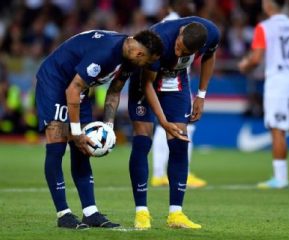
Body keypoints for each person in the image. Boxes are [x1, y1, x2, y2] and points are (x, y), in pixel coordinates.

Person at [35, 29, 164, 229]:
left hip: (79, 89)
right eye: (148, 61)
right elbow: (72, 89)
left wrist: (108, 126)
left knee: (83, 149)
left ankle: (90, 212)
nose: (148, 66)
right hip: (56, 82)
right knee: (57, 145)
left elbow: (114, 92)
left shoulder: (129, 58)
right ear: (140, 54)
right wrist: (76, 132)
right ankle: (64, 213)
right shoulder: (105, 53)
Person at [128, 17, 220, 229]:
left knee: (180, 142)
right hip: (146, 79)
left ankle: (175, 214)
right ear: (179, 33)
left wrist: (201, 95)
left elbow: (210, 56)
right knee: (143, 141)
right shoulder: (160, 38)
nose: (178, 53)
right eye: (178, 47)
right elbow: (148, 83)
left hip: (175, 81)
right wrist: (163, 121)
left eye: (185, 52)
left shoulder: (212, 34)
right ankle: (141, 212)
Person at [238, 0, 289, 189]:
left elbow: (257, 58)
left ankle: (281, 178)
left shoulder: (264, 27)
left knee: (278, 129)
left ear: (268, 5)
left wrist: (245, 65)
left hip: (279, 82)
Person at [151, 0, 207, 188]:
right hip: (171, 82)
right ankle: (171, 172)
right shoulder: (175, 24)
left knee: (170, 127)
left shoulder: (181, 22)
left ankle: (161, 172)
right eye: (187, 2)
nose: (191, 5)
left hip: (178, 80)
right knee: (180, 128)